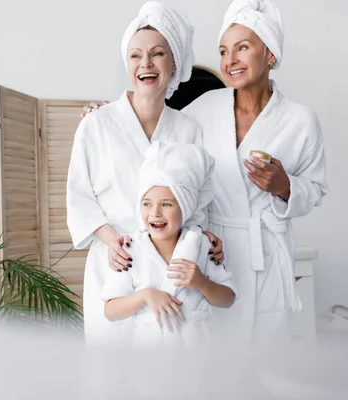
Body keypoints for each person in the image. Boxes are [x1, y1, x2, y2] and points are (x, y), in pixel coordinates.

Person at [82, 0, 328, 342]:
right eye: (224, 51)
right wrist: (106, 113)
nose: (230, 60)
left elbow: (314, 190)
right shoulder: (201, 111)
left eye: (243, 48)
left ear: (270, 54)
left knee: (268, 355)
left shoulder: (301, 120)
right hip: (214, 251)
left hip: (266, 251)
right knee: (220, 359)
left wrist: (286, 186)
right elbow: (157, 135)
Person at [66, 1, 223, 347]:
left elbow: (198, 205)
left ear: (174, 62)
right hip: (116, 267)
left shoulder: (188, 129)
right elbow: (79, 198)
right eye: (135, 56)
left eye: (157, 54)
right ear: (127, 64)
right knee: (112, 378)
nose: (145, 64)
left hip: (168, 271)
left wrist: (204, 240)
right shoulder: (96, 124)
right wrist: (111, 241)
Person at [101, 141, 236, 349]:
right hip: (150, 356)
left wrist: (201, 282)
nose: (155, 213)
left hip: (199, 353)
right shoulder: (130, 249)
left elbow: (228, 299)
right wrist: (146, 295)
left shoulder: (202, 244)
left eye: (166, 204)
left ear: (186, 206)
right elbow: (110, 311)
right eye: (147, 204)